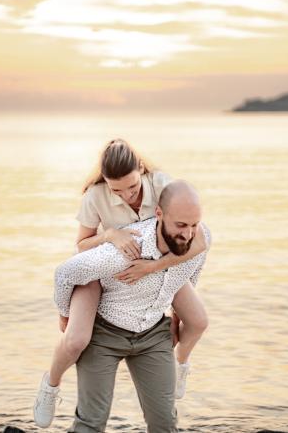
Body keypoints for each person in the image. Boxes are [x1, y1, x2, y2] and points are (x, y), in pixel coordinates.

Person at [33, 140, 208, 428]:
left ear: (141, 170)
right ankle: (50, 386)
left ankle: (181, 365)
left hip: (156, 264)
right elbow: (81, 246)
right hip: (103, 264)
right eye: (117, 190)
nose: (126, 196)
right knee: (76, 338)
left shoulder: (162, 184)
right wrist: (110, 234)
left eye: (132, 187)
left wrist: (154, 269)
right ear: (105, 182)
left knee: (198, 319)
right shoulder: (95, 196)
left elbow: (195, 241)